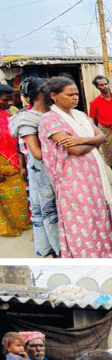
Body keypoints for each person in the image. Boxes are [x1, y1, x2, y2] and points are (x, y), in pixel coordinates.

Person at [38, 77, 112, 257]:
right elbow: (75, 150)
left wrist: (82, 139)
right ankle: (87, 255)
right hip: (71, 180)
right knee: (81, 220)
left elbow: (102, 137)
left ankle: (103, 252)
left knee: (97, 214)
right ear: (54, 96)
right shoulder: (50, 120)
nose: (75, 98)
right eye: (70, 94)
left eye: (76, 94)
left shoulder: (80, 115)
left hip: (92, 175)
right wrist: (92, 142)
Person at [8, 77, 59, 256]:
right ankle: (50, 249)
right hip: (42, 173)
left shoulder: (53, 114)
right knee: (47, 211)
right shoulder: (28, 119)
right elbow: (36, 153)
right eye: (50, 91)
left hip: (57, 171)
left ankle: (62, 245)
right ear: (39, 95)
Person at [0, 84, 30, 239]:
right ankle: (8, 227)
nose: (10, 103)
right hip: (2, 164)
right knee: (5, 197)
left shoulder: (12, 112)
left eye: (12, 99)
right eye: (6, 100)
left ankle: (23, 222)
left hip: (16, 159)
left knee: (20, 194)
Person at [89, 75, 112, 187]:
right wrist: (97, 134)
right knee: (109, 154)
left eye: (105, 84)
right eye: (101, 85)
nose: (104, 86)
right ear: (97, 87)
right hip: (105, 130)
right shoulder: (94, 102)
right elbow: (93, 119)